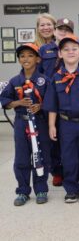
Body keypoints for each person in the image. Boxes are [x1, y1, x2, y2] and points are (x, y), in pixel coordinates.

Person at [43, 34, 79, 203]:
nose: (70, 52)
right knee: (68, 157)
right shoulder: (56, 77)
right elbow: (52, 104)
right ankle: (70, 188)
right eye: (66, 49)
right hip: (65, 124)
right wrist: (51, 125)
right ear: (60, 54)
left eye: (74, 49)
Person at [0, 43, 51, 206]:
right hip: (22, 124)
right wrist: (18, 102)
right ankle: (23, 190)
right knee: (22, 157)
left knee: (41, 155)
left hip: (40, 123)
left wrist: (41, 106)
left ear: (37, 59)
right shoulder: (14, 81)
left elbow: (53, 101)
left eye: (30, 55)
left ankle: (41, 188)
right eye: (22, 56)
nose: (26, 59)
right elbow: (4, 100)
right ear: (19, 60)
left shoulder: (44, 80)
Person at [39, 17, 75, 187]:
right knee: (52, 138)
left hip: (70, 100)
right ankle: (57, 172)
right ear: (55, 30)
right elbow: (36, 74)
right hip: (50, 99)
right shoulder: (44, 50)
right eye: (60, 28)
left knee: (70, 137)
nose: (63, 32)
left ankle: (72, 170)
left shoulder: (75, 50)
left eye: (67, 29)